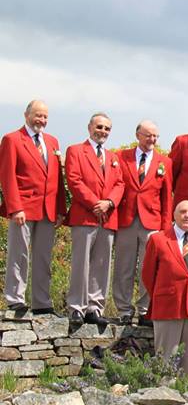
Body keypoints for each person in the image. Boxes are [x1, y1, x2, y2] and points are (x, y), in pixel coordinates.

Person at [0, 100, 67, 313]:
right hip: (24, 207)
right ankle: (15, 298)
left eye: (45, 116)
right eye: (38, 115)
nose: (42, 120)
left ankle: (42, 302)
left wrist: (59, 210)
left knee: (43, 258)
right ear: (26, 115)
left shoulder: (52, 141)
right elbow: (7, 176)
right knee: (19, 254)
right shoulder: (12, 139)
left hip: (47, 209)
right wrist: (15, 207)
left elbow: (57, 178)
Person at [65, 112, 124, 327]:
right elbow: (74, 180)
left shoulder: (113, 158)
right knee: (81, 263)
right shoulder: (75, 151)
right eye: (99, 127)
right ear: (90, 127)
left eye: (107, 129)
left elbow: (120, 184)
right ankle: (77, 307)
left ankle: (94, 307)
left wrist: (108, 202)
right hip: (85, 216)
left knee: (101, 264)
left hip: (107, 217)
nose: (103, 132)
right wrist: (94, 203)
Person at [141, 200, 188, 377]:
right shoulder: (159, 239)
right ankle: (162, 397)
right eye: (182, 212)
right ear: (174, 215)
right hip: (168, 305)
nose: (187, 215)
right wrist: (162, 294)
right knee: (166, 358)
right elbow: (148, 275)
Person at [114, 120, 173, 324]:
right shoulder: (121, 157)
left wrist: (166, 227)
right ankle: (123, 309)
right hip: (126, 219)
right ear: (138, 135)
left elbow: (167, 197)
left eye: (155, 136)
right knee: (124, 266)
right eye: (148, 135)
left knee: (148, 268)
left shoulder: (164, 162)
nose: (152, 140)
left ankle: (145, 309)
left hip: (152, 221)